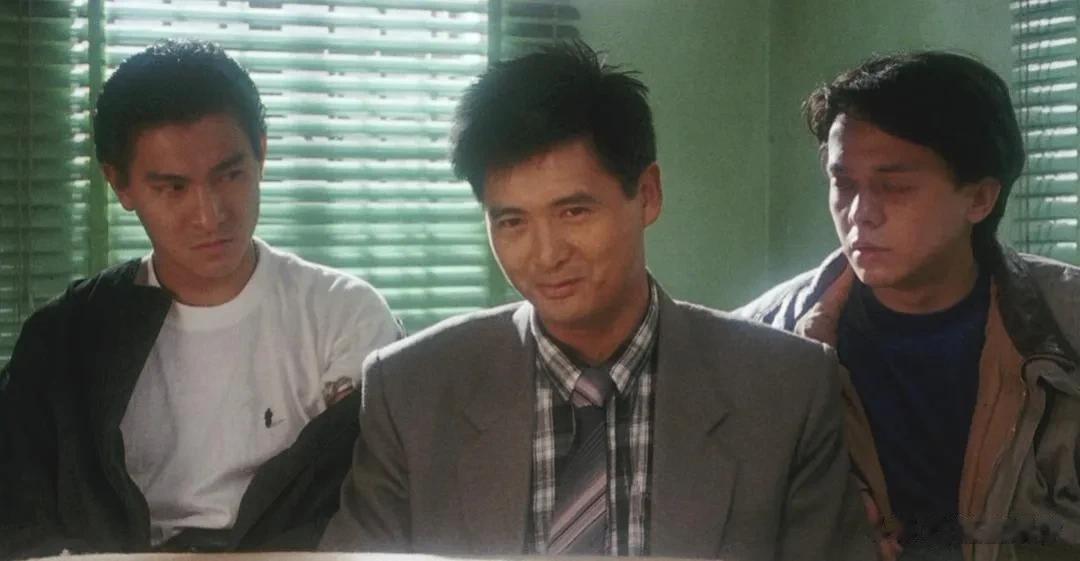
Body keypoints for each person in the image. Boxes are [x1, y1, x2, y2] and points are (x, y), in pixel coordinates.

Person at [320, 42, 872, 561]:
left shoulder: (785, 390)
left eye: (574, 212)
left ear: (647, 195)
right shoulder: (411, 391)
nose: (546, 254)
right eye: (511, 222)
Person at [0, 40, 401, 557]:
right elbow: (20, 521)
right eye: (173, 188)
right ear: (120, 185)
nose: (210, 216)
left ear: (261, 153)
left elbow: (381, 509)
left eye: (230, 175)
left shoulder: (344, 315)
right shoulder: (66, 338)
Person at [737, 51, 1080, 561]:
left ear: (980, 198)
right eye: (843, 184)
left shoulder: (1066, 326)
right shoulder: (760, 343)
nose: (860, 214)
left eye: (894, 187)